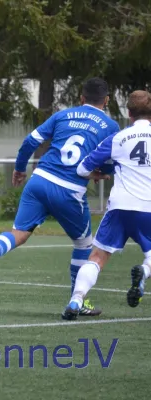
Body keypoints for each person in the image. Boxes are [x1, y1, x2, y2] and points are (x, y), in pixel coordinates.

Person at [0, 77, 121, 317]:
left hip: (39, 180)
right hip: (69, 189)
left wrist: (19, 168)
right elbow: (110, 160)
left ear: (81, 98)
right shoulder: (110, 125)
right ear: (106, 100)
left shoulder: (63, 115)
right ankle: (76, 300)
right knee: (84, 245)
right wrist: (100, 172)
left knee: (19, 233)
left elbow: (30, 141)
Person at [62, 90, 151, 320]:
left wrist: (99, 174)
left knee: (97, 258)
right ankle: (143, 273)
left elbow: (82, 168)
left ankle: (76, 299)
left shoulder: (118, 138)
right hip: (148, 208)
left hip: (119, 207)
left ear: (129, 113)